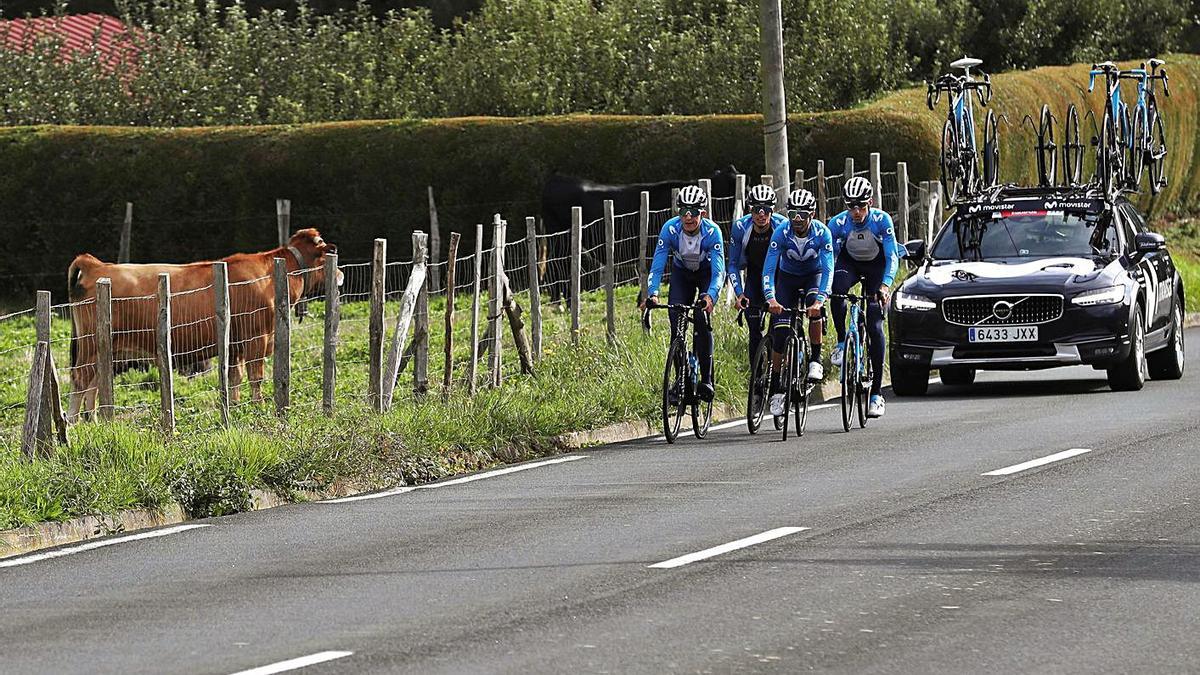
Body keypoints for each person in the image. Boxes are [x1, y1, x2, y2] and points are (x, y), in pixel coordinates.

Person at [640, 185, 726, 402]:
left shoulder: (712, 232)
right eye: (683, 212)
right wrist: (653, 293)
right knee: (676, 325)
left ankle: (706, 379)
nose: (688, 217)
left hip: (706, 275)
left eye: (694, 212)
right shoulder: (670, 229)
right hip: (682, 276)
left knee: (701, 318)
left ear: (702, 213)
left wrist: (710, 296)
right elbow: (658, 265)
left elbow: (719, 272)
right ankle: (681, 380)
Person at [826, 176, 898, 419]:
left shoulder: (881, 221)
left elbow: (892, 257)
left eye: (861, 206)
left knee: (876, 323)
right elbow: (830, 259)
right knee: (837, 292)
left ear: (870, 202)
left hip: (877, 268)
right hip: (850, 264)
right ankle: (840, 341)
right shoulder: (838, 224)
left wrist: (886, 286)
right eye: (851, 206)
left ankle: (877, 394)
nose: (856, 212)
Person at [763, 188, 834, 418]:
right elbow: (769, 269)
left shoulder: (822, 233)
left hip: (814, 275)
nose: (797, 220)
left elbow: (829, 269)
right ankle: (776, 387)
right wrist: (770, 298)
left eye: (802, 215)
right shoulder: (782, 233)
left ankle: (815, 359)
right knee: (781, 334)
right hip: (787, 279)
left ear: (811, 214)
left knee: (814, 309)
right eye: (793, 213)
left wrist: (821, 300)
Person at [727, 183, 789, 366]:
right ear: (750, 209)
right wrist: (739, 294)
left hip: (780, 277)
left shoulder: (782, 226)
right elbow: (732, 266)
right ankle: (757, 380)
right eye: (756, 209)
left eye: (766, 209)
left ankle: (780, 368)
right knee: (754, 329)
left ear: (773, 209)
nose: (761, 214)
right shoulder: (740, 227)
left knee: (778, 329)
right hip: (754, 277)